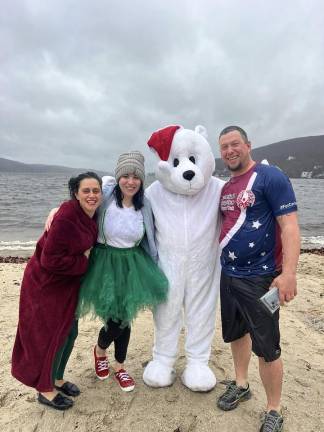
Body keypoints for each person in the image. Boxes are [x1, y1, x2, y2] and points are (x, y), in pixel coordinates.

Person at [216, 126, 300, 432]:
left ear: (248, 145)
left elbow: (289, 226)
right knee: (237, 334)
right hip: (228, 275)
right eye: (223, 146)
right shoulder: (226, 188)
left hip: (261, 278)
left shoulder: (270, 177)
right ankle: (241, 384)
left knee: (267, 346)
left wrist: (289, 273)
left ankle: (274, 409)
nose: (229, 150)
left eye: (234, 143)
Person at [76, 151, 168, 392]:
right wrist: (54, 213)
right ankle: (99, 351)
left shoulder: (145, 204)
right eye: (125, 175)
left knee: (125, 316)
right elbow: (78, 205)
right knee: (113, 317)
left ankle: (118, 365)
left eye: (135, 176)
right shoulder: (105, 196)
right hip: (104, 263)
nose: (130, 181)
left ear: (141, 179)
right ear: (118, 178)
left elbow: (159, 229)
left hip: (133, 264)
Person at [11, 172, 102, 411]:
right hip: (46, 285)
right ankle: (44, 389)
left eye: (96, 191)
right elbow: (51, 260)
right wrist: (84, 261)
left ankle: (57, 378)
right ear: (76, 193)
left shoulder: (91, 213)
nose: (92, 195)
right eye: (86, 191)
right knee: (49, 336)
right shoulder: (67, 216)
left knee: (69, 333)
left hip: (68, 285)